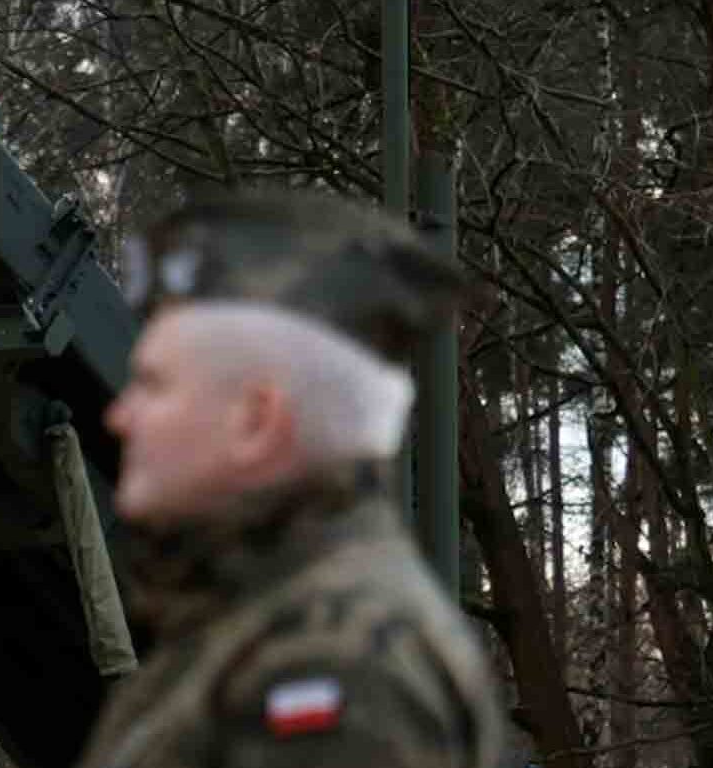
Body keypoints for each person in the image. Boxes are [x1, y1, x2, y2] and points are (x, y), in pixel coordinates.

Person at [75, 190, 503, 768]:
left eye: (154, 385)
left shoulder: (332, 664)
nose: (119, 415)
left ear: (257, 421)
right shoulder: (254, 627)